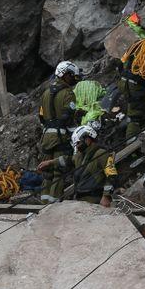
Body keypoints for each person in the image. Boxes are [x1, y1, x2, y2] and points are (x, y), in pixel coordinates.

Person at [38, 124, 116, 207]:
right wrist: (50, 162)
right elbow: (68, 160)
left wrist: (106, 196)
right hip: (80, 198)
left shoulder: (102, 154)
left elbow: (112, 176)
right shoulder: (80, 155)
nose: (77, 147)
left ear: (88, 139)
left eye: (78, 143)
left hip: (95, 199)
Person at [37, 61, 80, 202]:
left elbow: (41, 117)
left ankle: (43, 205)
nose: (73, 78)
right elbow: (69, 117)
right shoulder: (68, 93)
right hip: (60, 137)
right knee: (58, 172)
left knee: (47, 174)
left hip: (46, 137)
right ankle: (53, 207)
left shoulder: (45, 93)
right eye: (71, 75)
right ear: (64, 74)